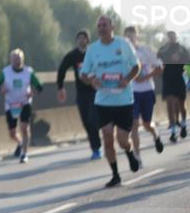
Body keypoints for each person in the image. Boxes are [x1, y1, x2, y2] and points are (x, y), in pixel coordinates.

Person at [80, 15, 141, 187]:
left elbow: (137, 67)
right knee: (107, 137)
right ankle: (115, 175)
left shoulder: (123, 44)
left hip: (123, 100)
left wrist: (127, 80)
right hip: (103, 101)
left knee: (122, 140)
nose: (101, 28)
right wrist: (92, 81)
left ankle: (129, 153)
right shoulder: (92, 50)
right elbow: (84, 74)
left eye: (104, 25)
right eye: (99, 25)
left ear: (112, 27)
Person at [0, 49, 43, 163]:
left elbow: (39, 86)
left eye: (18, 58)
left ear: (22, 59)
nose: (16, 61)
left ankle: (24, 154)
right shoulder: (5, 72)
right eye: (14, 58)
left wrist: (32, 92)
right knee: (12, 133)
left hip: (24, 103)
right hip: (11, 104)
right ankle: (20, 143)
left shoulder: (29, 72)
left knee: (24, 127)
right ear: (10, 60)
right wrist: (1, 89)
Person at [56, 30, 102, 159]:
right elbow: (62, 69)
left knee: (93, 119)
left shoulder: (94, 53)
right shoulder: (73, 55)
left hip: (95, 91)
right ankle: (95, 148)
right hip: (81, 92)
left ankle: (98, 143)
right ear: (76, 41)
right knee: (86, 121)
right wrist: (60, 87)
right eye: (79, 38)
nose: (81, 40)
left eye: (84, 38)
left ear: (87, 40)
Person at [124, 25, 164, 157]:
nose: (130, 39)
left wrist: (145, 77)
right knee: (134, 125)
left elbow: (159, 68)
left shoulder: (145, 50)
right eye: (127, 36)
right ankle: (137, 156)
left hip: (147, 90)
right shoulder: (122, 54)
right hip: (132, 93)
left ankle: (155, 135)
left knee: (147, 124)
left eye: (132, 36)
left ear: (136, 36)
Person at [157, 31, 189, 142]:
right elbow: (157, 61)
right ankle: (173, 132)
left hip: (179, 78)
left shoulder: (182, 49)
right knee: (170, 103)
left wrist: (180, 60)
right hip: (167, 79)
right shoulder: (162, 49)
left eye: (173, 36)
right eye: (169, 37)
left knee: (181, 105)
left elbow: (188, 61)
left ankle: (184, 125)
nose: (171, 38)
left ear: (176, 37)